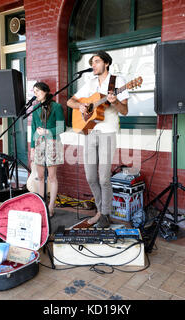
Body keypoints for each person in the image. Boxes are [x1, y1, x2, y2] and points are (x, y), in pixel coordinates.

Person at [67, 51, 129, 228]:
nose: (93, 65)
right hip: (89, 132)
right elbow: (70, 102)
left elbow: (124, 111)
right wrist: (82, 106)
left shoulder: (118, 81)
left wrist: (115, 101)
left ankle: (105, 214)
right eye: (91, 62)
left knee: (103, 178)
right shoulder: (91, 83)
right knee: (90, 176)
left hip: (108, 133)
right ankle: (100, 210)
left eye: (96, 61)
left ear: (107, 63)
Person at [30, 82, 65, 217]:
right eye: (34, 92)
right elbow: (33, 128)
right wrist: (32, 148)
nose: (36, 94)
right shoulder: (35, 108)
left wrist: (47, 131)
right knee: (39, 176)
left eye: (38, 91)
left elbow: (61, 128)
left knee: (51, 177)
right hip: (38, 143)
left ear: (45, 91)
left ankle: (51, 206)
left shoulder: (56, 107)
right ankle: (41, 204)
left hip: (53, 143)